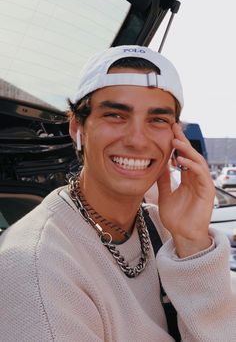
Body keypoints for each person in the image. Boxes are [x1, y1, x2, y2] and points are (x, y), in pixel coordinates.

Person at [0, 45, 235, 342]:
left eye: (158, 120)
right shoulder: (35, 267)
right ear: (77, 128)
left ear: (176, 137)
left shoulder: (162, 226)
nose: (137, 140)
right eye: (115, 115)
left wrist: (192, 241)